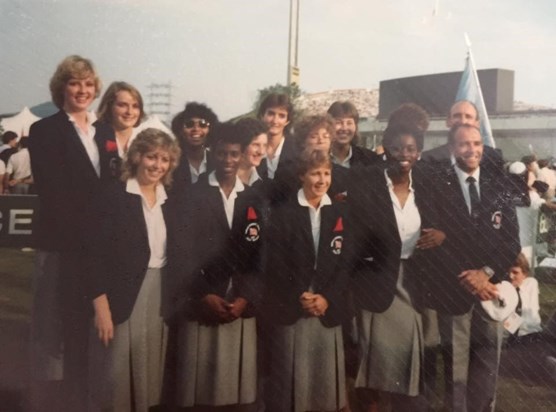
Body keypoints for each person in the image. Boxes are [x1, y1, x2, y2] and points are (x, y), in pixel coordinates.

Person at [28, 55, 120, 411]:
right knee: (57, 337)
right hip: (64, 246)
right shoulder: (45, 131)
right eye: (74, 83)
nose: (82, 90)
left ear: (96, 89)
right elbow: (55, 195)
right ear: (61, 88)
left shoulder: (105, 132)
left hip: (99, 247)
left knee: (91, 335)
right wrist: (92, 237)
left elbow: (112, 185)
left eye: (87, 84)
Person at [423, 123, 520, 412]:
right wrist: (468, 277)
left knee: (488, 364)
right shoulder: (439, 186)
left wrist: (486, 274)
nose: (472, 150)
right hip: (456, 290)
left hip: (490, 290)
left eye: (477, 144)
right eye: (465, 144)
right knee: (456, 368)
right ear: (453, 149)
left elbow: (511, 242)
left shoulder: (498, 185)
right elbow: (435, 241)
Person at [349, 125, 444, 411]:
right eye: (397, 148)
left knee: (406, 373)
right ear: (385, 150)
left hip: (411, 285)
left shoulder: (425, 187)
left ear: (419, 153)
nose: (403, 154)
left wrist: (442, 234)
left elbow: (442, 222)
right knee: (373, 373)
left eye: (411, 149)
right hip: (375, 285)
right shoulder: (368, 184)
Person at [87, 128, 181, 412]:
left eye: (164, 159)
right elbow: (92, 256)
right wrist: (101, 306)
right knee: (114, 377)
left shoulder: (171, 199)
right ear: (137, 157)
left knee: (148, 373)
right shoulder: (114, 196)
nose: (157, 165)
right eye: (152, 157)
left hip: (158, 293)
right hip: (121, 296)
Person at [175, 122, 264, 410]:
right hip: (205, 299)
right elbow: (184, 252)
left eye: (234, 154)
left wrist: (245, 297)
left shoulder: (253, 197)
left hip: (237, 301)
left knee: (235, 392)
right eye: (222, 154)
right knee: (200, 391)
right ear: (213, 154)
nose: (228, 161)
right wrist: (203, 295)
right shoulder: (194, 194)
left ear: (242, 156)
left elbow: (259, 252)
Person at [264, 149, 350, 412]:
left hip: (325, 307)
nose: (321, 180)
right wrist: (299, 295)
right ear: (302, 175)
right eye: (315, 173)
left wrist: (326, 298)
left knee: (323, 387)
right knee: (291, 383)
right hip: (295, 305)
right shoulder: (283, 213)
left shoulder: (339, 214)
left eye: (326, 173)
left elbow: (344, 264)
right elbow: (275, 264)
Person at [420, 100, 504, 172]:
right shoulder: (429, 159)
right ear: (448, 121)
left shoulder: (493, 157)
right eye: (457, 116)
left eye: (468, 116)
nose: (463, 121)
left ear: (477, 123)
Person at [170, 102, 219, 204]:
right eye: (189, 124)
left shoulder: (218, 163)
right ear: (180, 130)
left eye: (203, 124)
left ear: (210, 130)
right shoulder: (170, 162)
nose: (196, 129)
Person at [97, 81, 146, 158]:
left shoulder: (145, 142)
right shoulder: (95, 138)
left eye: (135, 106)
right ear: (109, 107)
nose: (129, 112)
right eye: (122, 105)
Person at [327, 100, 380, 168]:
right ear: (328, 126)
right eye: (338, 122)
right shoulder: (317, 159)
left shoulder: (369, 159)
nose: (344, 128)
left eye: (349, 123)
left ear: (356, 126)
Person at [235, 117, 268, 188]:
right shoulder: (219, 179)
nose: (261, 152)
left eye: (265, 145)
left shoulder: (266, 180)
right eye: (256, 145)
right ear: (240, 145)